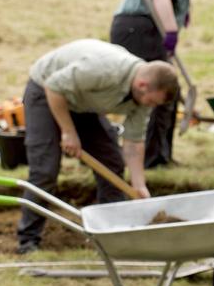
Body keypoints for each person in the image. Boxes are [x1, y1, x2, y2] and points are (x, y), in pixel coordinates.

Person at [15, 39, 180, 254]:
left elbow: (133, 142)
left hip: (82, 101)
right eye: (153, 102)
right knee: (45, 170)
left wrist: (139, 184)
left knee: (111, 163)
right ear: (142, 85)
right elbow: (54, 87)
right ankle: (27, 241)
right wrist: (68, 132)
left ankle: (111, 237)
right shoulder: (104, 70)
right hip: (46, 91)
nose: (153, 107)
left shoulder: (144, 97)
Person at [109, 0, 214, 168]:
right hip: (139, 29)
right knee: (160, 91)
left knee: (167, 92)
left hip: (137, 29)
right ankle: (154, 158)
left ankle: (161, 155)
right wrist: (171, 31)